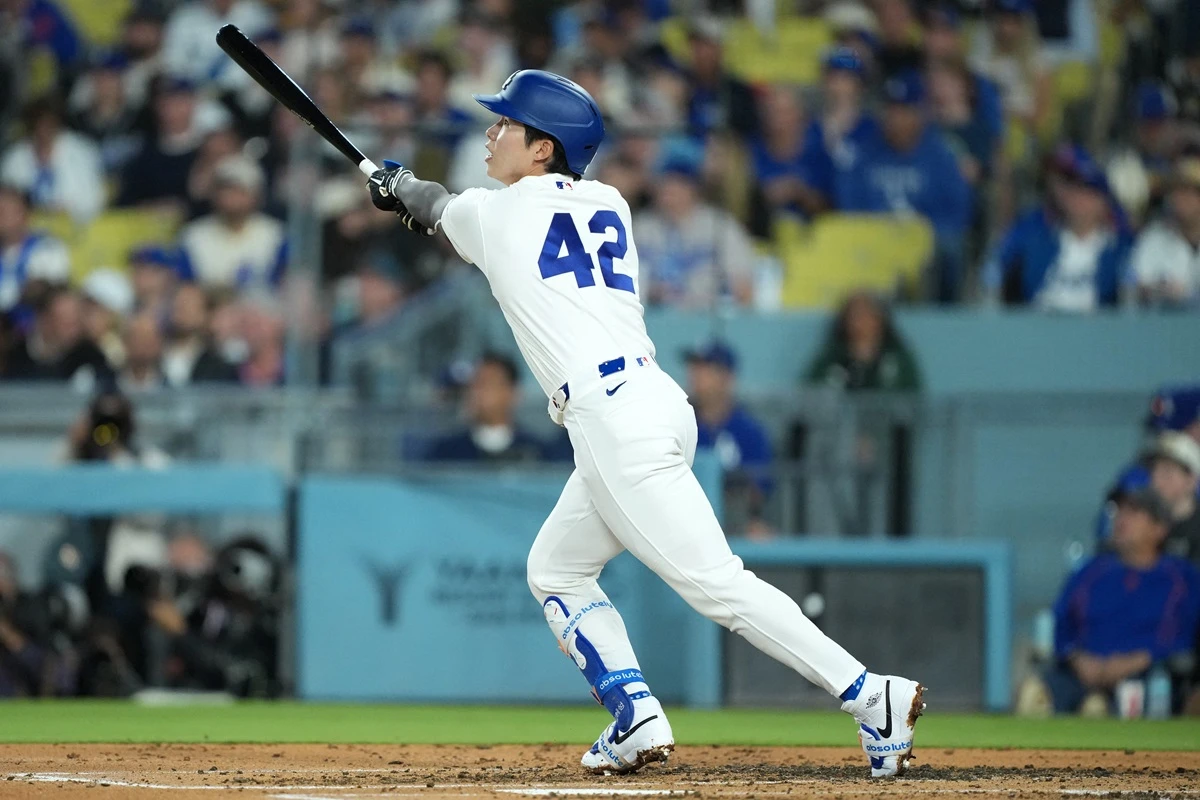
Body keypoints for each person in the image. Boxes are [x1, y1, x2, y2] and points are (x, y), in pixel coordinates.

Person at [366, 68, 924, 777]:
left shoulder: (495, 214)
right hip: (653, 402)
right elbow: (444, 207)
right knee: (556, 569)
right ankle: (634, 715)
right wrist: (409, 192)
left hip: (611, 421)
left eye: (506, 124)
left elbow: (433, 204)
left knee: (717, 584)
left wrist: (395, 186)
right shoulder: (611, 202)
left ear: (543, 148)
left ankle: (870, 695)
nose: (491, 132)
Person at [1042, 489, 1199, 715]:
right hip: (1082, 675)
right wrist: (1078, 659)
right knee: (1035, 694)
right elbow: (1062, 625)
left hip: (1152, 676)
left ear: (1159, 528)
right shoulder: (1088, 573)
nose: (1122, 519)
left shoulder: (1182, 577)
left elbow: (1185, 637)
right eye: (1119, 512)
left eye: (1134, 512)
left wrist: (1137, 660)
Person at [835, 71, 972, 303]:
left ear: (919, 113)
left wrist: (917, 233)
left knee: (950, 249)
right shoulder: (864, 153)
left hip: (926, 245)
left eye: (903, 110)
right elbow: (849, 205)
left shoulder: (941, 154)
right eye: (890, 109)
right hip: (874, 240)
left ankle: (944, 315)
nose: (895, 118)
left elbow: (956, 211)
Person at [982, 145, 1133, 311]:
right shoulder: (1034, 230)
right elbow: (998, 265)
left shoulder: (1119, 242)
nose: (1076, 197)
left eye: (1067, 178)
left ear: (1102, 199)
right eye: (1055, 176)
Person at [632, 155, 758, 309]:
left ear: (693, 188)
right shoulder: (640, 227)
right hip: (650, 315)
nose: (669, 190)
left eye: (678, 183)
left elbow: (744, 286)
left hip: (704, 316)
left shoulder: (719, 225)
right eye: (664, 183)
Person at [683, 340, 773, 536]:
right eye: (694, 368)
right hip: (682, 519)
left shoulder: (748, 430)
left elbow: (759, 491)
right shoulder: (679, 423)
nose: (696, 375)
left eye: (706, 369)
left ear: (726, 377)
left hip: (735, 523)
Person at [178, 154, 287, 295]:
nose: (231, 197)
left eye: (239, 190)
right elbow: (186, 286)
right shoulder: (193, 236)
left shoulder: (276, 234)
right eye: (225, 190)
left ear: (256, 195)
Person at [424, 352, 554, 463]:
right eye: (474, 384)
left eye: (487, 383)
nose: (476, 392)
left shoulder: (538, 454)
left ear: (512, 393)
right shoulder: (445, 454)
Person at [0, 95, 105, 223]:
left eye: (48, 124)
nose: (43, 130)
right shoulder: (14, 159)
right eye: (37, 124)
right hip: (27, 229)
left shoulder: (82, 152)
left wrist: (66, 210)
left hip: (75, 228)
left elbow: (94, 201)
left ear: (57, 123)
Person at [805, 291, 921, 392]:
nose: (861, 323)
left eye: (868, 315)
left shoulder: (897, 359)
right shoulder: (831, 358)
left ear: (881, 321)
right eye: (855, 316)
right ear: (844, 322)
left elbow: (914, 398)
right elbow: (810, 394)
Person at [1130, 157, 1200, 308]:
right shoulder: (1152, 239)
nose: (1181, 199)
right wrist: (1158, 291)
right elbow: (1133, 290)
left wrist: (1187, 296)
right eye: (1176, 191)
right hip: (1163, 321)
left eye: (1190, 192)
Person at [0, 183, 70, 316]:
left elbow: (53, 291)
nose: (1, 218)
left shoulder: (48, 247)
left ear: (25, 214)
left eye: (4, 211)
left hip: (34, 322)